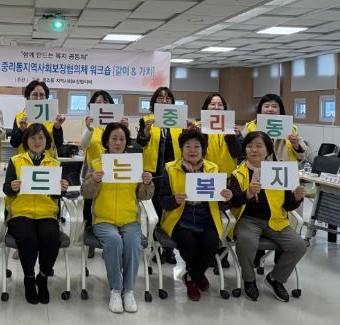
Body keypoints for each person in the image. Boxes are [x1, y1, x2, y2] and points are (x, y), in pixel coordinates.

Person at [80, 122, 154, 314]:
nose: (118, 143)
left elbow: (143, 195)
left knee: (133, 244)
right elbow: (86, 192)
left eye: (122, 139)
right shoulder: (96, 163)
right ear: (106, 141)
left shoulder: (135, 164)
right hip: (103, 219)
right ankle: (116, 289)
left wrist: (147, 183)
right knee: (114, 241)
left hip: (130, 219)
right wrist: (94, 180)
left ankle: (128, 291)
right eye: (114, 138)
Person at [229, 131, 307, 302]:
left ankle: (275, 279)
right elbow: (233, 201)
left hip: (276, 220)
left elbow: (288, 205)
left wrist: (296, 198)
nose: (254, 150)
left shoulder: (279, 171)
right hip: (248, 220)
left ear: (268, 150)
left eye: (259, 146)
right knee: (247, 241)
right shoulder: (237, 173)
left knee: (299, 245)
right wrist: (248, 193)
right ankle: (249, 279)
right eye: (249, 146)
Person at [159, 129, 232, 301]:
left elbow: (221, 204)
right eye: (188, 146)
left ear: (203, 149)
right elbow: (162, 200)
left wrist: (226, 198)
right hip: (180, 219)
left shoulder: (213, 168)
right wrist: (174, 200)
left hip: (206, 219)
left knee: (211, 244)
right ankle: (196, 277)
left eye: (197, 146)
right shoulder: (170, 168)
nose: (193, 150)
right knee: (189, 244)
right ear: (181, 149)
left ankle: (192, 275)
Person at [3, 123, 68, 304]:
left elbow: (55, 195)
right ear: (27, 140)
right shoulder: (16, 161)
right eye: (33, 137)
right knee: (28, 239)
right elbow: (6, 189)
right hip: (21, 212)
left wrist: (62, 189)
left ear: (47, 140)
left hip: (46, 213)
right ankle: (29, 278)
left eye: (41, 137)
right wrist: (12, 187)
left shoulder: (54, 163)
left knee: (51, 238)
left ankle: (43, 277)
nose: (37, 141)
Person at [195, 93, 242, 269]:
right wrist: (199, 133)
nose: (216, 107)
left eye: (220, 104)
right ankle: (206, 253)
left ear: (225, 108)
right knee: (206, 215)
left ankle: (222, 254)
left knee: (225, 216)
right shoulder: (198, 126)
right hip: (205, 177)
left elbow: (238, 153)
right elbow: (196, 151)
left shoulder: (232, 128)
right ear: (206, 107)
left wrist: (233, 137)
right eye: (212, 104)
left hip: (228, 178)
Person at [80, 90, 129, 257]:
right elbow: (83, 145)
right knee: (90, 205)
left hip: (116, 168)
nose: (102, 104)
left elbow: (126, 144)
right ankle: (91, 241)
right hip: (94, 169)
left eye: (105, 101)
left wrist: (125, 128)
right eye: (98, 101)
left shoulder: (117, 124)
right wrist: (89, 129)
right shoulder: (89, 122)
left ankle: (112, 239)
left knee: (112, 201)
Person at [138, 86, 183, 265]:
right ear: (154, 101)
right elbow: (140, 142)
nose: (164, 101)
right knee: (155, 210)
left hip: (174, 172)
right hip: (154, 173)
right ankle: (154, 247)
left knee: (171, 210)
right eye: (160, 98)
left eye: (168, 98)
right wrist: (146, 132)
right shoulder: (146, 120)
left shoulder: (179, 120)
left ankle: (168, 250)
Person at [242, 94, 310, 162]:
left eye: (274, 106)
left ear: (280, 109)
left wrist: (297, 146)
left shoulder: (290, 127)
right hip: (259, 166)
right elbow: (242, 151)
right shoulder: (250, 126)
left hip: (285, 167)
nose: (270, 109)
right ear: (260, 109)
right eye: (266, 106)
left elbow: (304, 155)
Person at [10, 80, 65, 158]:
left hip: (47, 161)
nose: (38, 98)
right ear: (28, 97)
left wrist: (57, 129)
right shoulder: (20, 117)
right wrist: (21, 130)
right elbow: (14, 143)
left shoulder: (53, 117)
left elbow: (59, 144)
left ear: (46, 98)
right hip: (24, 161)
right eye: (35, 95)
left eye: (42, 95)